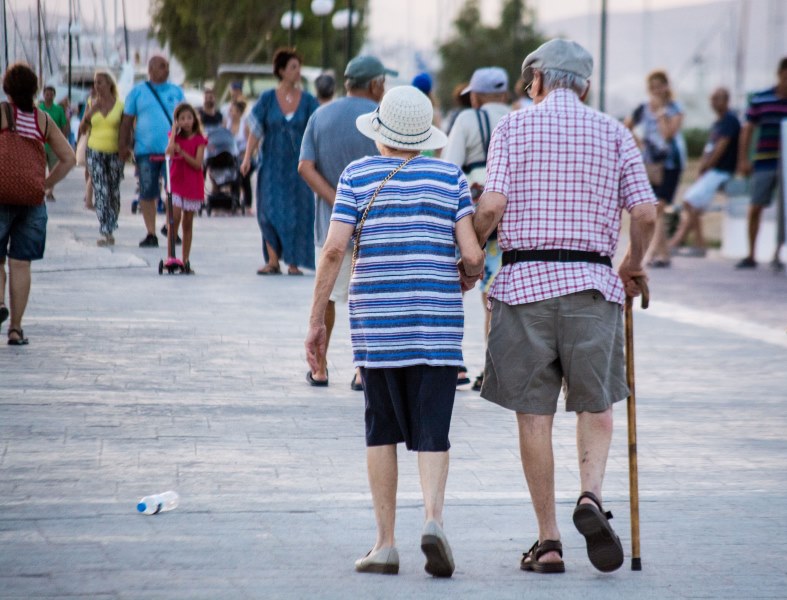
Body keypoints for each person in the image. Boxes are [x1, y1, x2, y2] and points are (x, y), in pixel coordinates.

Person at [469, 39, 657, 574]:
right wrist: (631, 264)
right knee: (596, 403)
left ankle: (549, 541)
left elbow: (494, 203)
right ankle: (590, 496)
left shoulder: (512, 127)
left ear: (537, 81)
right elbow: (644, 212)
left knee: (535, 414)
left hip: (524, 284)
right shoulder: (615, 133)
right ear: (586, 85)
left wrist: (475, 252)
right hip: (593, 285)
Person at [305, 85, 484, 578]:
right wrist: (468, 276)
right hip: (437, 326)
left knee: (380, 428)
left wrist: (316, 319)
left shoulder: (358, 176)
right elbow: (471, 256)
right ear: (425, 137)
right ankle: (432, 519)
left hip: (377, 327)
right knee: (433, 432)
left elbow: (334, 251)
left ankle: (385, 544)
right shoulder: (449, 178)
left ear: (380, 134)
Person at [298, 55, 394, 389]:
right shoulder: (381, 119)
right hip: (374, 228)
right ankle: (361, 370)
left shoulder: (319, 115)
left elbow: (305, 166)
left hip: (329, 228)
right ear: (375, 84)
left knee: (327, 297)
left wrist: (337, 200)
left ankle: (320, 368)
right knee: (366, 299)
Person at [442, 66, 511, 391]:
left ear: (477, 95)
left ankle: (454, 362)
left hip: (470, 217)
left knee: (456, 284)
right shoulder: (520, 117)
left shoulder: (469, 120)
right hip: (510, 220)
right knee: (494, 296)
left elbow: (450, 167)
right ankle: (492, 367)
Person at [1, 63, 76, 345]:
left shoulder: (2, 113)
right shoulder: (42, 120)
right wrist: (45, 184)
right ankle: (16, 329)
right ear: (35, 90)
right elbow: (69, 158)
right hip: (32, 200)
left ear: (6, 89)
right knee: (21, 264)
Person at [240, 48, 319, 276]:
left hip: (299, 167)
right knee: (268, 211)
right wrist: (247, 158)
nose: (297, 71)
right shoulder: (267, 99)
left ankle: (293, 263)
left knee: (297, 214)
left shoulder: (308, 101)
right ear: (281, 70)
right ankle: (273, 261)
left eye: (298, 67)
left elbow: (317, 129)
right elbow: (255, 131)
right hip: (271, 165)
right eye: (293, 67)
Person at [119, 55, 185, 248]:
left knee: (175, 191)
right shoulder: (137, 93)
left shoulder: (176, 92)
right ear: (151, 69)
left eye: (167, 66)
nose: (166, 70)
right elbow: (127, 121)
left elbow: (186, 120)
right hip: (145, 151)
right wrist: (123, 146)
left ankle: (170, 228)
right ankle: (151, 233)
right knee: (147, 191)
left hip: (173, 151)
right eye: (162, 66)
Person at [668, 87, 740, 257]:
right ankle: (690, 243)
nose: (713, 103)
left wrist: (707, 166)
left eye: (717, 99)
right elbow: (710, 147)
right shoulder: (717, 122)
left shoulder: (730, 120)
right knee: (693, 206)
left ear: (726, 100)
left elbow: (720, 148)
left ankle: (687, 243)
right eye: (712, 99)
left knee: (690, 202)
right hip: (711, 170)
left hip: (720, 170)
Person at [625, 70, 685, 268]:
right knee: (654, 206)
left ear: (667, 86)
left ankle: (652, 253)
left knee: (659, 206)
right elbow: (626, 127)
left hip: (670, 163)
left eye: (660, 85)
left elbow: (668, 134)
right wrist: (639, 144)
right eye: (653, 86)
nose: (656, 90)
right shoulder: (642, 108)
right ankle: (664, 254)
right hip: (650, 164)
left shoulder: (675, 108)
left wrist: (660, 113)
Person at [735, 57, 787, 270]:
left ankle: (777, 251)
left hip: (785, 163)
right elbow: (747, 129)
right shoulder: (761, 99)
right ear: (779, 74)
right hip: (765, 160)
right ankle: (751, 253)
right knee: (756, 205)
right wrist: (743, 159)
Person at [79, 70, 125, 247]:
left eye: (100, 82)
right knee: (101, 190)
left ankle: (111, 223)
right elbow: (82, 130)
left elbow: (127, 129)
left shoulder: (120, 106)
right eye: (95, 83)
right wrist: (90, 113)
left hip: (114, 153)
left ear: (109, 85)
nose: (96, 86)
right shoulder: (91, 103)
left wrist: (127, 148)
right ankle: (106, 230)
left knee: (113, 191)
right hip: (95, 151)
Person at [165, 103, 208, 274]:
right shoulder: (174, 137)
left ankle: (185, 259)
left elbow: (198, 164)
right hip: (176, 181)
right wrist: (173, 134)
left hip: (192, 184)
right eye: (182, 118)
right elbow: (168, 153)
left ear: (194, 119)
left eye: (189, 118)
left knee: (188, 222)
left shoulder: (200, 140)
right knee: (173, 219)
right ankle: (171, 257)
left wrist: (182, 153)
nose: (186, 121)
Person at [38, 85, 69, 201]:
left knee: (53, 169)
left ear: (54, 96)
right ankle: (41, 190)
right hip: (40, 143)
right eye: (47, 94)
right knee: (40, 169)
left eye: (51, 94)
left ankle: (49, 192)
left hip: (53, 144)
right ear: (43, 95)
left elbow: (64, 125)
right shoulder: (38, 108)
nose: (49, 96)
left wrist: (64, 139)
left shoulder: (59, 110)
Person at [227, 100, 252, 209]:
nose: (232, 113)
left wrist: (246, 156)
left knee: (243, 175)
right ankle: (233, 200)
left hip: (242, 155)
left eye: (234, 111)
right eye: (231, 110)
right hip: (230, 156)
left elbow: (249, 143)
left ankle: (247, 203)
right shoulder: (226, 123)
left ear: (239, 113)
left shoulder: (244, 125)